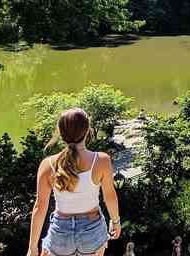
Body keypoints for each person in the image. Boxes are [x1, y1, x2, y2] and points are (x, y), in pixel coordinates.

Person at [26, 108, 121, 256]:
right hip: (92, 231)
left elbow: (40, 207)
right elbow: (110, 197)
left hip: (61, 232)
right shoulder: (101, 160)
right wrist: (115, 221)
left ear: (60, 132)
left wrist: (32, 247)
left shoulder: (48, 165)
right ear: (87, 130)